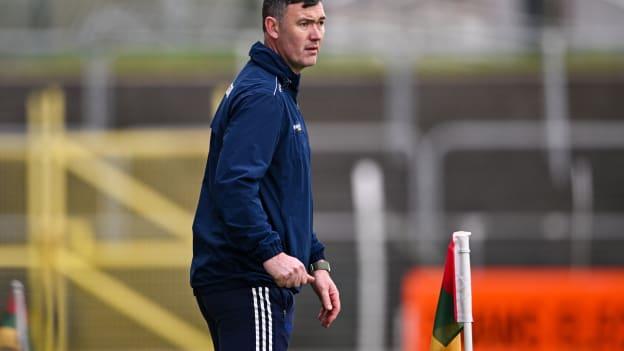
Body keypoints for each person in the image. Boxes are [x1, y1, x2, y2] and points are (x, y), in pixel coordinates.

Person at [190, 0, 340, 350]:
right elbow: (234, 187)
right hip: (248, 279)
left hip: (246, 279)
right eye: (304, 23)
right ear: (273, 27)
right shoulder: (265, 95)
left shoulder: (276, 89)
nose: (316, 34)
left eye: (320, 22)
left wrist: (316, 260)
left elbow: (282, 198)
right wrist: (270, 253)